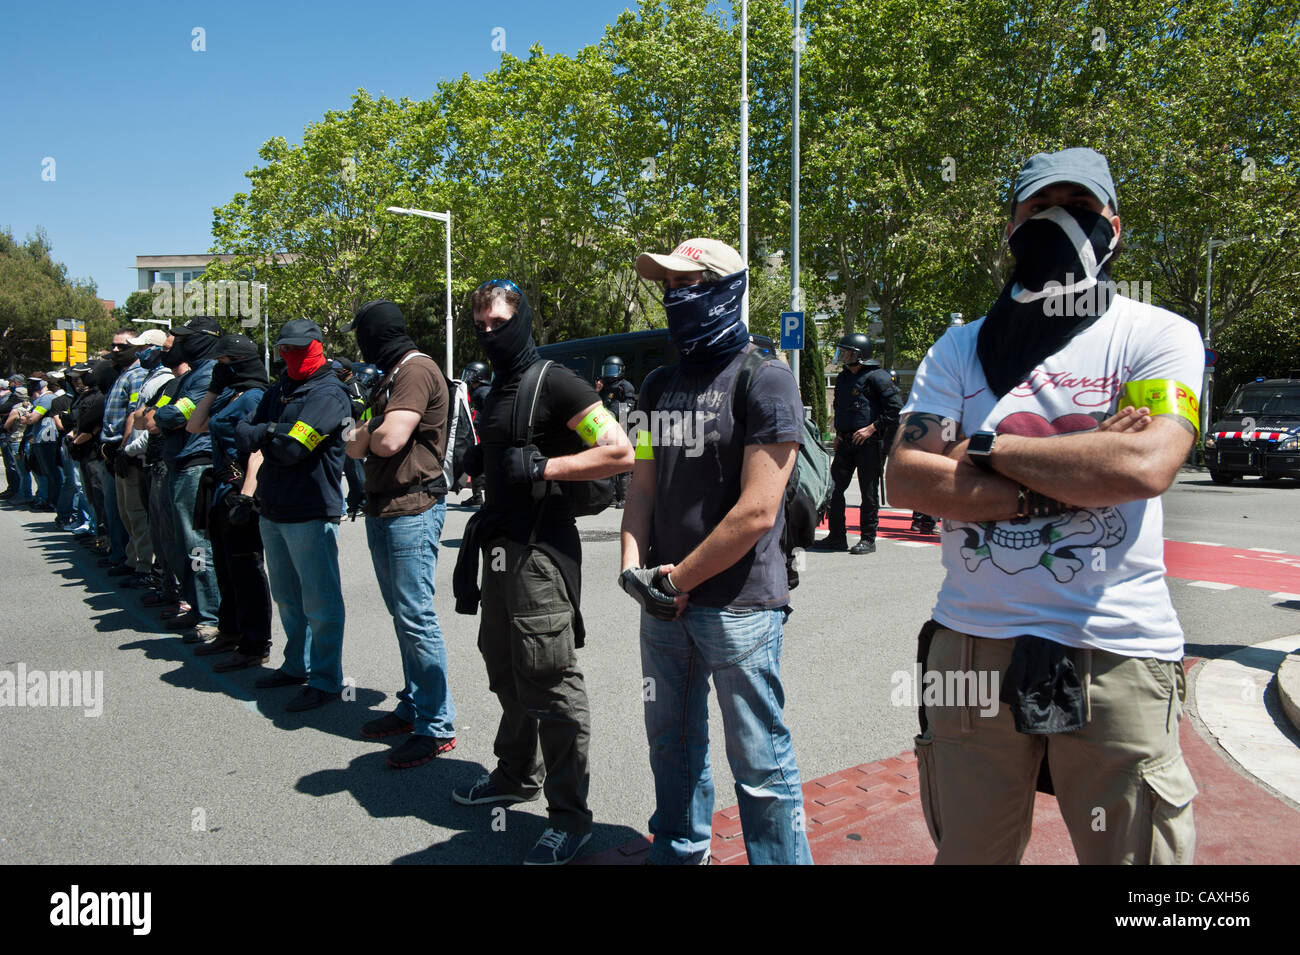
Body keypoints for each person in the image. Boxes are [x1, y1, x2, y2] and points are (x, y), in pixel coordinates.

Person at [886, 146, 1202, 864]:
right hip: (970, 643)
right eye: (1040, 209)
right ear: (1010, 226)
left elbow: (1146, 463)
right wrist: (1080, 461)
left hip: (1116, 649)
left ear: (1113, 227)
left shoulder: (1159, 335)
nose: (1059, 223)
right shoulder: (959, 348)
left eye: (1081, 210)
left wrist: (981, 445)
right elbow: (905, 479)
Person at [620, 236, 813, 865]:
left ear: (728, 289)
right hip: (663, 603)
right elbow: (641, 485)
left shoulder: (768, 378)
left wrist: (675, 583)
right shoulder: (656, 384)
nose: (677, 298)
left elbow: (757, 509)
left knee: (760, 762)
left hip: (740, 606)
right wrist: (632, 570)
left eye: (690, 285)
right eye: (669, 287)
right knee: (671, 746)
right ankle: (679, 850)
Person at [451, 279, 633, 865]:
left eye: (498, 324)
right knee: (504, 666)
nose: (488, 334)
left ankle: (571, 817)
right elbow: (506, 451)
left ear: (522, 319)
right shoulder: (497, 385)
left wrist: (546, 464)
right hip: (500, 548)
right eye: (479, 326)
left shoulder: (555, 380)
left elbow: (620, 450)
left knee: (550, 680)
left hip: (541, 552)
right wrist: (482, 461)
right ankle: (514, 774)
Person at [344, 300, 458, 767]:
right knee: (403, 617)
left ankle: (437, 726)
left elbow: (385, 441)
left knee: (415, 618)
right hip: (385, 506)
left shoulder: (415, 371)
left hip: (412, 508)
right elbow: (353, 446)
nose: (361, 344)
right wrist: (373, 426)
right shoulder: (391, 376)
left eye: (363, 334)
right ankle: (415, 706)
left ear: (378, 333)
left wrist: (370, 427)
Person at [236, 319, 351, 712]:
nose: (292, 355)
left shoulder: (330, 393)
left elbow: (292, 450)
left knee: (320, 604)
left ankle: (325, 679)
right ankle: (296, 665)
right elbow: (241, 432)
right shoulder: (279, 389)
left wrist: (266, 433)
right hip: (273, 508)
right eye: (285, 347)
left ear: (318, 345)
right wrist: (275, 430)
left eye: (300, 348)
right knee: (287, 598)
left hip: (310, 510)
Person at [187, 334, 274, 671]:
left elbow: (259, 449)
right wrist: (212, 389)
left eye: (224, 361)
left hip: (241, 489)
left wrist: (247, 498)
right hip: (220, 487)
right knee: (224, 565)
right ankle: (230, 629)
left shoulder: (255, 396)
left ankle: (254, 644)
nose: (219, 366)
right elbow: (195, 425)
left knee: (247, 569)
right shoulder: (228, 394)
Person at [152, 317, 222, 640]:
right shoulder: (189, 376)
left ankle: (210, 615)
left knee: (198, 546)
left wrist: (164, 417)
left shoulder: (209, 374)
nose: (178, 344)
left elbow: (176, 416)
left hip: (196, 465)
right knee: (182, 544)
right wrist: (163, 417)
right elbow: (156, 414)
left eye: (185, 338)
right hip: (177, 465)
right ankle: (195, 607)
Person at [816, 332, 902, 555]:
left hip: (869, 442)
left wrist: (873, 427)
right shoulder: (844, 377)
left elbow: (895, 411)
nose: (842, 356)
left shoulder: (878, 377)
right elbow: (840, 405)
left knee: (868, 492)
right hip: (845, 441)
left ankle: (868, 538)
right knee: (834, 489)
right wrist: (837, 433)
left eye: (846, 353)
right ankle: (836, 537)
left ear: (859, 355)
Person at [596, 355, 636, 509]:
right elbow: (594, 402)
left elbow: (629, 404)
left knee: (623, 463)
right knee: (608, 461)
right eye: (608, 369)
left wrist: (614, 413)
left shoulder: (625, 386)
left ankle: (626, 497)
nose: (610, 373)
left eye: (613, 369)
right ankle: (611, 496)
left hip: (622, 426)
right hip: (604, 428)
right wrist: (597, 390)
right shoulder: (602, 386)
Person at [461, 361, 490, 507]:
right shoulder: (477, 391)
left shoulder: (483, 392)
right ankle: (477, 496)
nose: (468, 376)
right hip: (480, 431)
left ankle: (481, 496)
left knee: (482, 463)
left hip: (483, 433)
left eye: (471, 373)